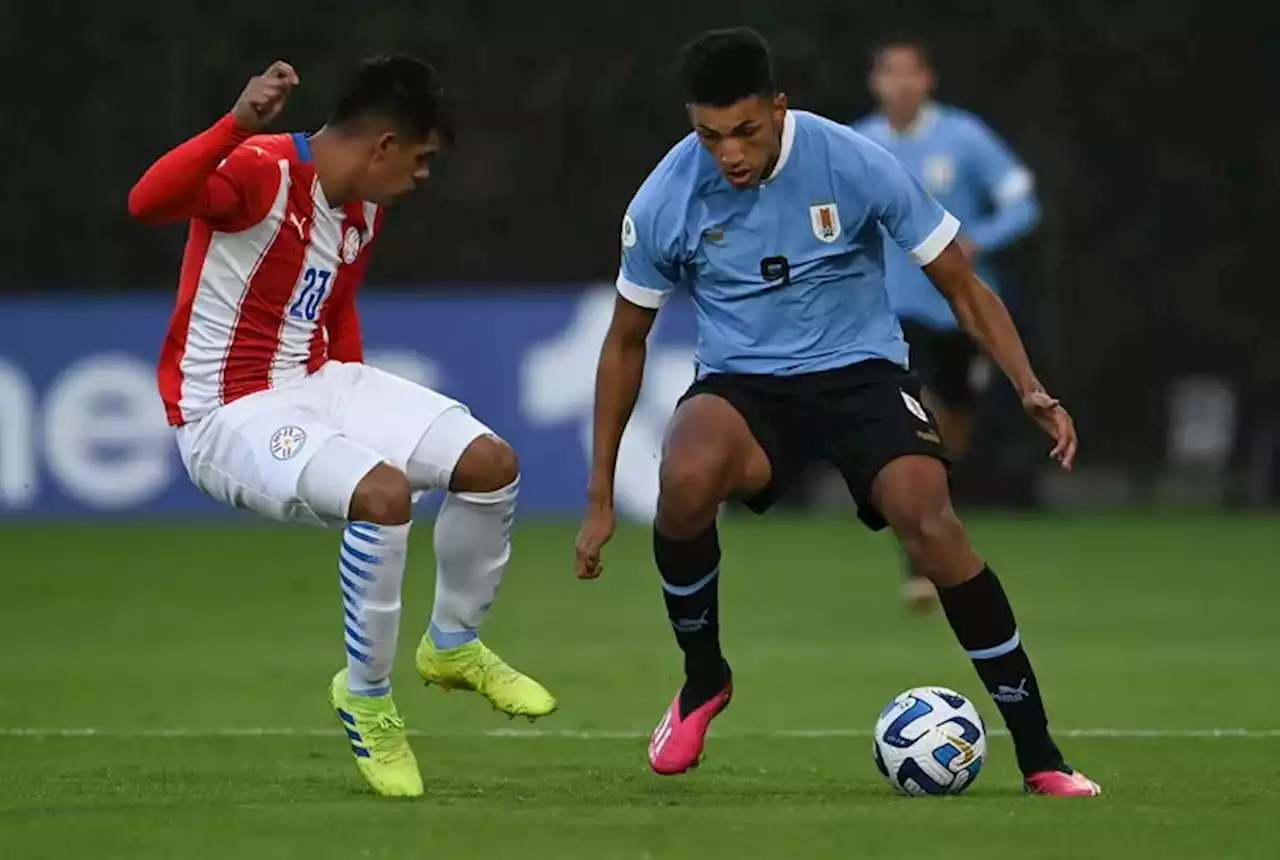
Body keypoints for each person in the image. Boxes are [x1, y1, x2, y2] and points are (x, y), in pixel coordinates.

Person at [574, 28, 1099, 797]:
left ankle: (1041, 754)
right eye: (710, 135)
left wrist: (1027, 385)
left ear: (779, 110)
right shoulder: (666, 198)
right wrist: (597, 499)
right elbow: (625, 343)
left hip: (860, 374)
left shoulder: (851, 161)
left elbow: (959, 282)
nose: (730, 154)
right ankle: (702, 681)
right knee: (683, 479)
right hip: (744, 386)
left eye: (746, 131)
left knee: (929, 521)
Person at [128, 55, 555, 798]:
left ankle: (452, 645)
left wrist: (358, 412)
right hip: (225, 411)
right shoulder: (261, 169)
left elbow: (335, 307)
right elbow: (147, 202)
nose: (422, 176)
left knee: (490, 463)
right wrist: (233, 126)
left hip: (319, 383)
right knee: (384, 497)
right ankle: (366, 698)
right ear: (383, 146)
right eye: (420, 159)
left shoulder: (362, 205)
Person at [852, 37, 1041, 612]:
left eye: (911, 72)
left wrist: (979, 239)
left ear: (927, 79)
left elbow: (1022, 203)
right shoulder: (857, 142)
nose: (900, 84)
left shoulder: (964, 137)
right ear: (876, 82)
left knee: (948, 428)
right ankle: (918, 555)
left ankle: (934, 526)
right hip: (884, 313)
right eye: (890, 73)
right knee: (911, 420)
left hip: (953, 311)